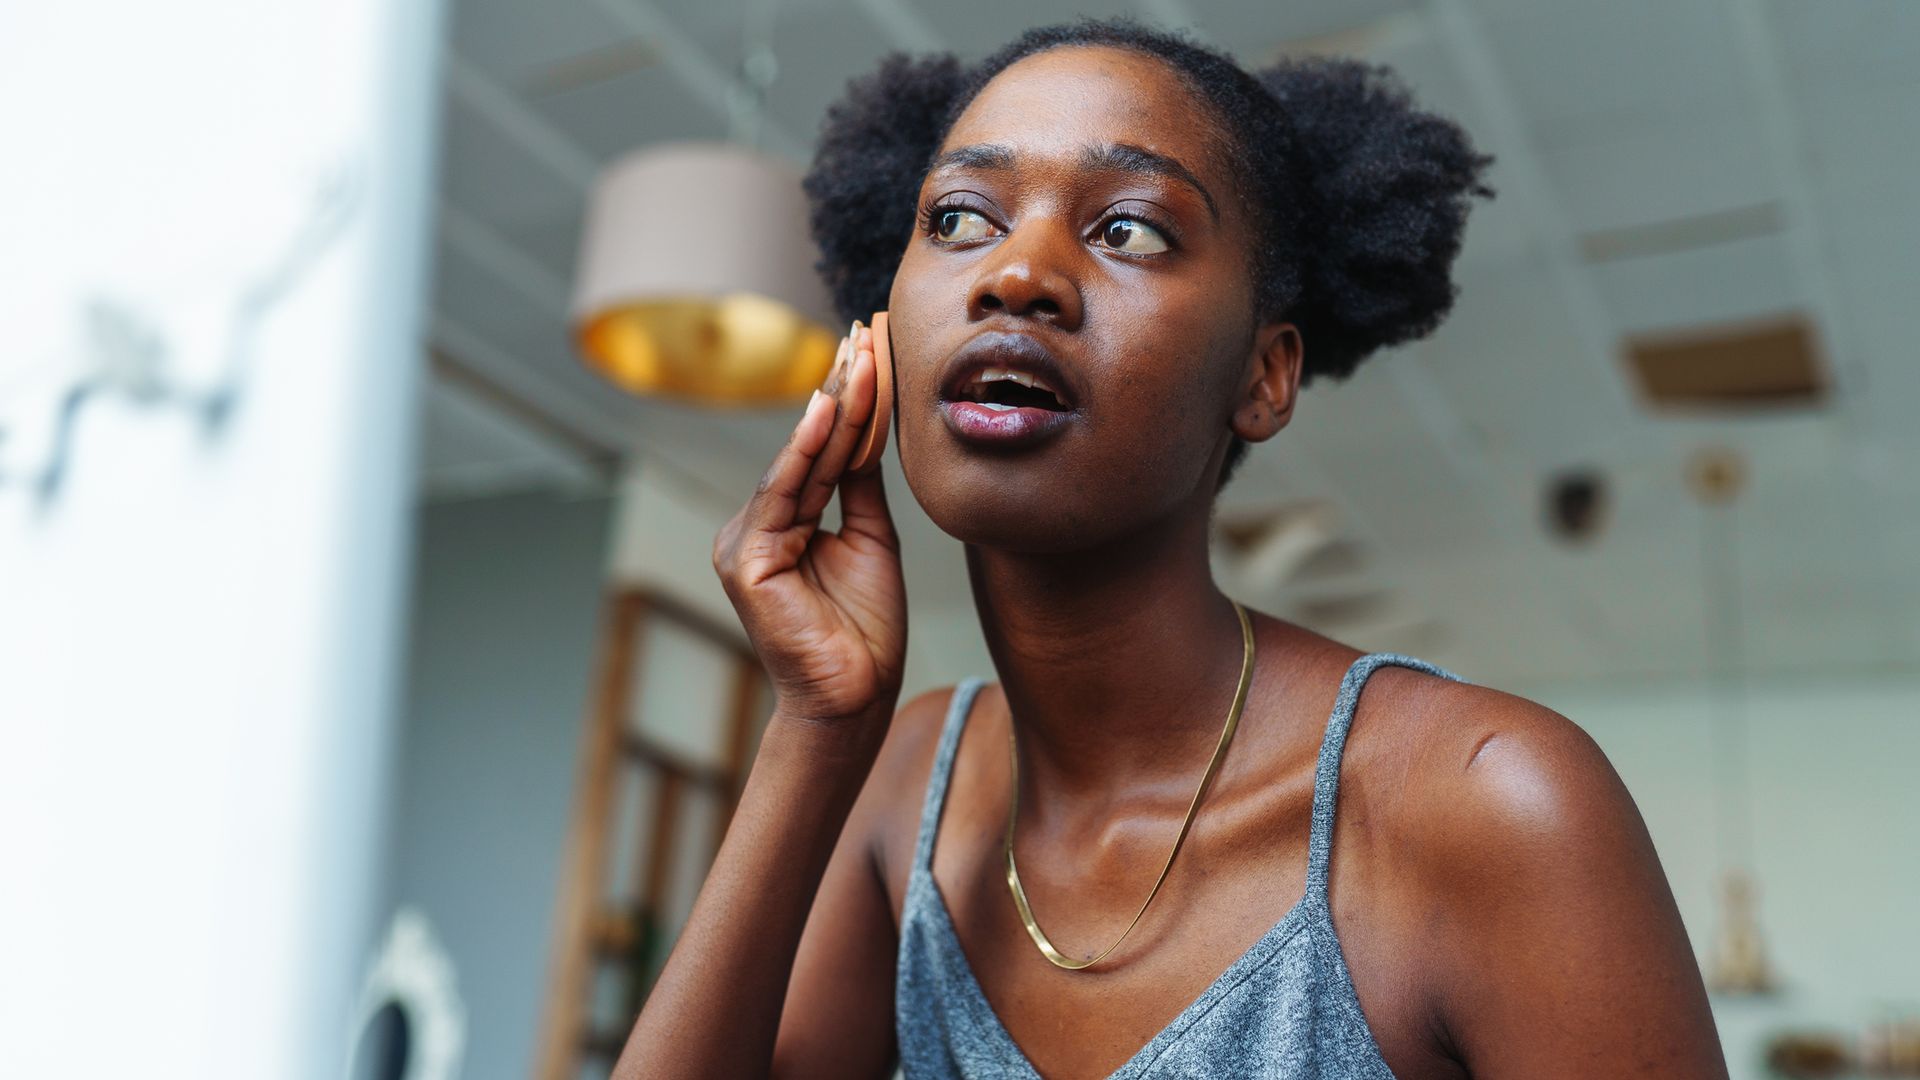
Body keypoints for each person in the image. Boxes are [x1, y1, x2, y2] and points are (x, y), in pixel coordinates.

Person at [615, 18, 1725, 1079]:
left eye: (1128, 229)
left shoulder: (1489, 804)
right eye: (960, 218)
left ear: (1264, 374)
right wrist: (816, 728)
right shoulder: (906, 780)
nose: (1016, 275)